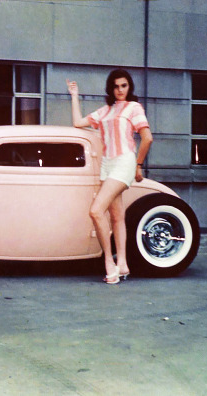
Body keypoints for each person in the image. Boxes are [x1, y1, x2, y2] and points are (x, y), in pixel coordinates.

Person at [66, 69, 153, 284]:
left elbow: (147, 138)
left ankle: (109, 262)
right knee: (116, 216)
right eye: (116, 86)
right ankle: (122, 264)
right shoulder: (105, 111)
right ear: (111, 88)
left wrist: (138, 165)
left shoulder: (134, 108)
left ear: (129, 87)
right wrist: (75, 95)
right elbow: (78, 123)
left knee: (96, 211)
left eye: (124, 86)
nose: (120, 90)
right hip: (107, 164)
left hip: (124, 162)